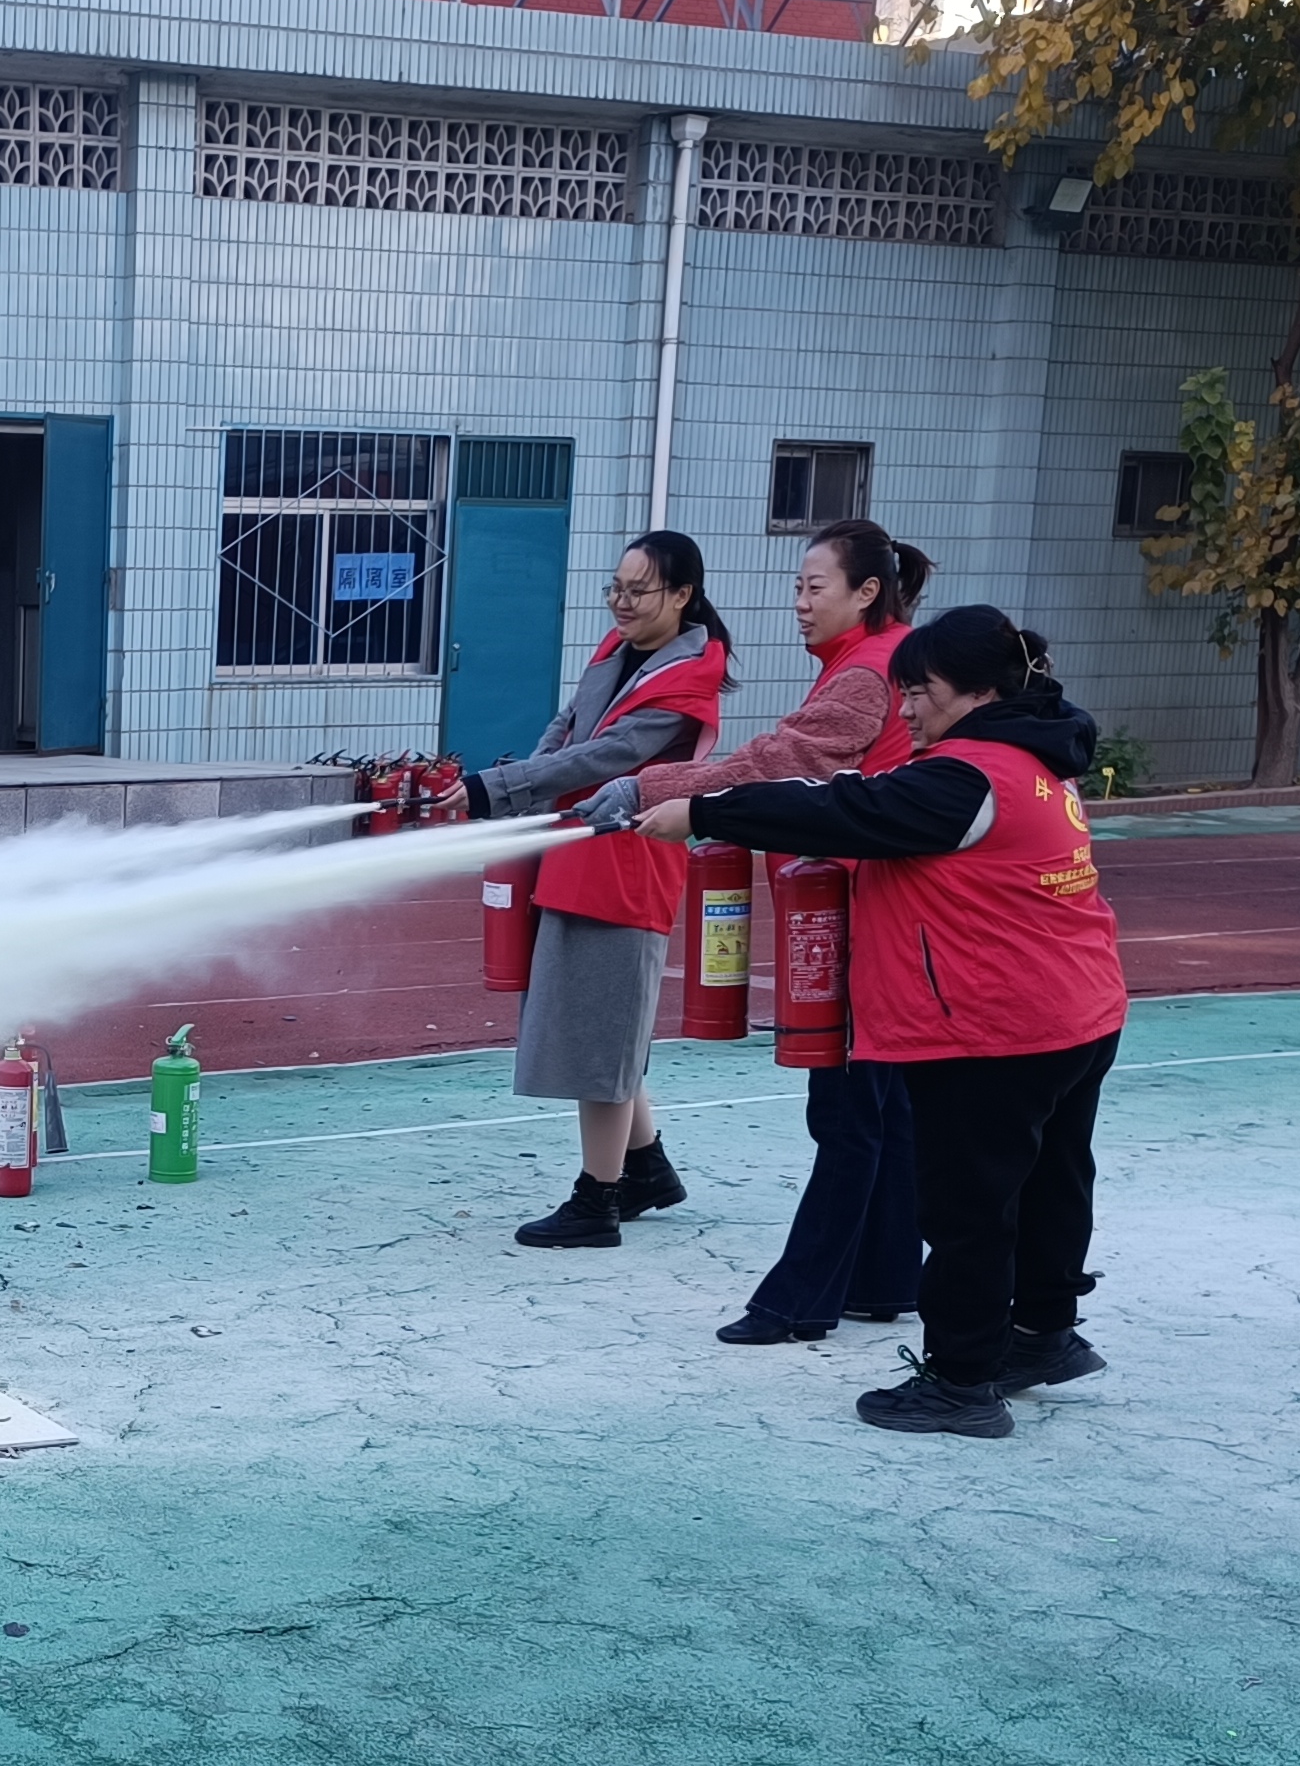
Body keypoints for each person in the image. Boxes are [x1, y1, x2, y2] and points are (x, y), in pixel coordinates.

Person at [638, 605, 1125, 1439]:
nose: (905, 709)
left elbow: (842, 809)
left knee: (969, 1209)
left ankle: (961, 1382)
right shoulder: (1038, 757)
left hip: (993, 1028)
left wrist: (706, 810)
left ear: (977, 693)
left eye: (920, 691)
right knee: (1053, 1183)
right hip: (1075, 1012)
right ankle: (1043, 1335)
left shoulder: (967, 777)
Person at [591, 517, 933, 1344]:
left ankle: (799, 1300)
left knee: (845, 1110)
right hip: (879, 903)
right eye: (796, 587)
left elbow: (778, 762)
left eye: (815, 587)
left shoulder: (868, 671)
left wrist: (651, 788)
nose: (800, 603)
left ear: (867, 592)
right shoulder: (875, 661)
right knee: (879, 1104)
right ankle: (886, 1277)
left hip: (868, 909)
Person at [466, 531, 729, 1249]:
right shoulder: (620, 650)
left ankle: (598, 1201)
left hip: (626, 873)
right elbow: (570, 727)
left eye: (638, 591)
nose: (621, 602)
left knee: (601, 1042)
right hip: (578, 857)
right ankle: (646, 1169)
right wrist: (522, 786)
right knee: (601, 1030)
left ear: (682, 595)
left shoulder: (686, 682)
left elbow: (608, 755)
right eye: (615, 587)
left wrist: (500, 788)